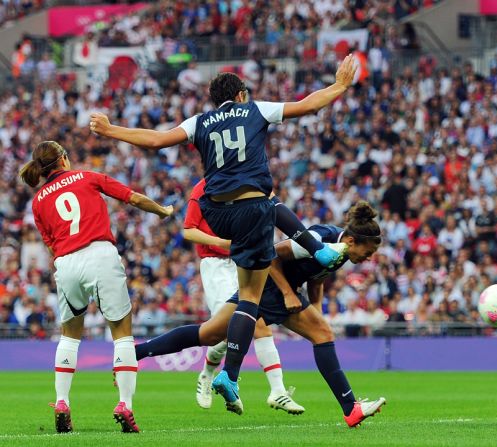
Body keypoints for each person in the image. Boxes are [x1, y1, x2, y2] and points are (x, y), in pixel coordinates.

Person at [88, 55, 358, 412]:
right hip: (252, 210)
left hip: (217, 212)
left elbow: (155, 140)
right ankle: (315, 252)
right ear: (242, 94)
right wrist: (339, 85)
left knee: (219, 323)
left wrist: (110, 130)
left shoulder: (199, 121)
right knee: (255, 267)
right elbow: (307, 105)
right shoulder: (256, 110)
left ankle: (184, 363)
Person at [135, 202, 387, 426]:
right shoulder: (321, 237)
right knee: (322, 334)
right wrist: (288, 293)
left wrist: (317, 310)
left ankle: (133, 353)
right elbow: (273, 254)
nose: (367, 259)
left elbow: (317, 278)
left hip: (271, 289)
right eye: (368, 253)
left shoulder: (343, 252)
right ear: (352, 241)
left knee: (209, 334)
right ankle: (350, 408)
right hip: (271, 287)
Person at [19, 141, 173, 433]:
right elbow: (133, 199)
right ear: (63, 158)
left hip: (66, 262)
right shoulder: (88, 177)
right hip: (100, 253)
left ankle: (62, 401)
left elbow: (50, 244)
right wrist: (162, 211)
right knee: (122, 333)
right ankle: (125, 405)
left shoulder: (38, 201)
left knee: (70, 334)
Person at [184, 178, 303, 414]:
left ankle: (277, 391)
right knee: (226, 331)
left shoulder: (248, 181)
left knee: (256, 323)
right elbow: (189, 231)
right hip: (216, 264)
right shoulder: (202, 189)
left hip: (245, 259)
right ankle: (209, 374)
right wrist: (221, 242)